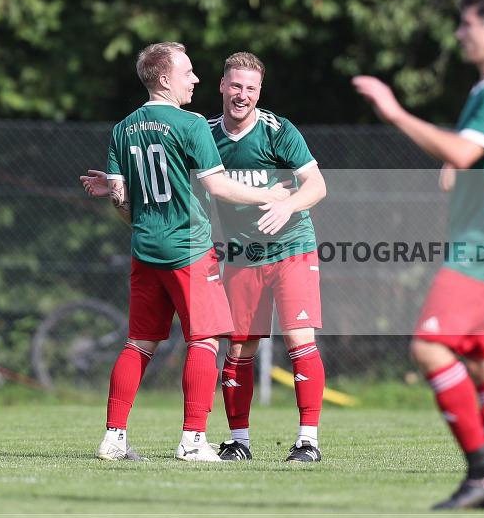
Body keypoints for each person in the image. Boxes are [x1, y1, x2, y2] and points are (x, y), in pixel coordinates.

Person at [353, 0, 484, 510]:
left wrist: (395, 112)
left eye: (467, 24)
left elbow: (461, 149)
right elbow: (472, 157)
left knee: (430, 347)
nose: (459, 33)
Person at [81, 42, 291, 463]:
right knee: (206, 339)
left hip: (145, 247)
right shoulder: (192, 124)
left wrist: (130, 202)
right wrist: (266, 195)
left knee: (138, 344)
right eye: (188, 72)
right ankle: (193, 440)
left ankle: (113, 438)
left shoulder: (123, 127)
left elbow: (121, 203)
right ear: (164, 79)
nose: (195, 79)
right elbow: (218, 186)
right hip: (189, 250)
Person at [207, 52, 328, 463]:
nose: (242, 95)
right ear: (222, 85)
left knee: (299, 339)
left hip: (293, 248)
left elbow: (317, 185)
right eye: (236, 86)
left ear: (260, 91)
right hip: (242, 256)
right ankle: (238, 441)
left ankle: (308, 441)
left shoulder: (278, 130)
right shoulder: (206, 135)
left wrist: (289, 205)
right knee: (239, 349)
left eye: (251, 89)